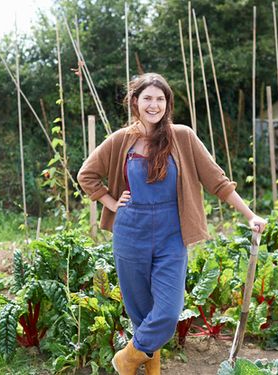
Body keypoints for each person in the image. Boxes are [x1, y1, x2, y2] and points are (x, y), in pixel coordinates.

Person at [77, 73, 266, 375]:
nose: (154, 105)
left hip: (171, 235)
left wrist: (249, 214)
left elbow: (217, 180)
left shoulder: (182, 137)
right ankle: (152, 370)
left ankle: (126, 360)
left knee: (166, 312)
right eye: (148, 98)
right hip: (130, 233)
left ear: (168, 103)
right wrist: (111, 202)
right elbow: (86, 174)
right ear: (135, 102)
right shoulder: (120, 141)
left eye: (160, 99)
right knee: (141, 312)